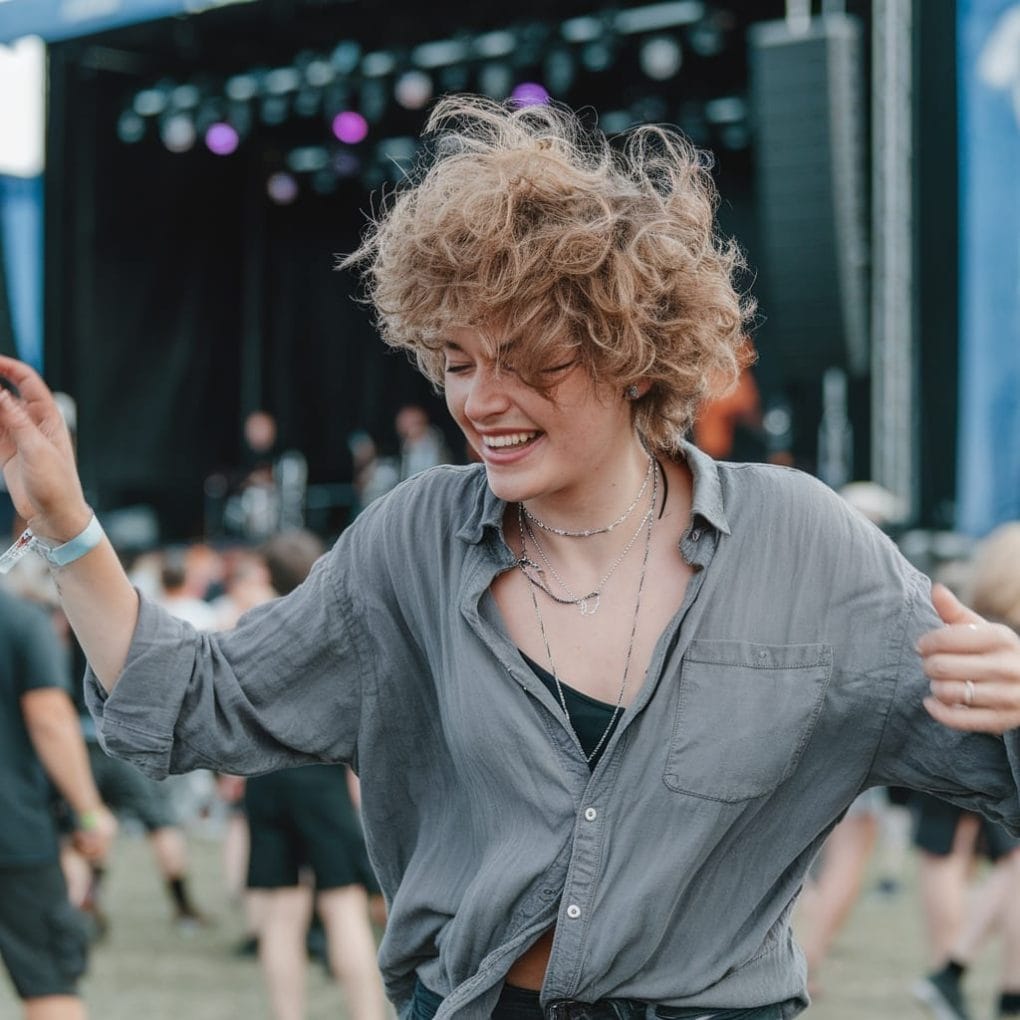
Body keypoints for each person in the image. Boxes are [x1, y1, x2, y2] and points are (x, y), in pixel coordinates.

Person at [1, 95, 1020, 1020]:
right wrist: (68, 524)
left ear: (630, 354)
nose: (480, 402)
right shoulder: (412, 544)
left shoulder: (806, 546)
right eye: (456, 361)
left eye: (528, 364)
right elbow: (196, 701)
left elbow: (995, 776)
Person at [242, 530, 387, 1020]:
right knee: (342, 905)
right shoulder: (335, 632)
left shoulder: (253, 628)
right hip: (321, 781)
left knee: (283, 915)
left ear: (269, 575)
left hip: (266, 779)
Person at [914, 522, 1020, 1020]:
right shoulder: (1004, 645)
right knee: (1004, 865)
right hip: (983, 750)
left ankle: (956, 969)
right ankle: (969, 974)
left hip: (945, 738)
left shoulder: (967, 626)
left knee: (949, 860)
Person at [0, 584, 116, 1019]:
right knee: (49, 982)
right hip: (13, 832)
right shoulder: (19, 620)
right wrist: (89, 810)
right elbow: (50, 718)